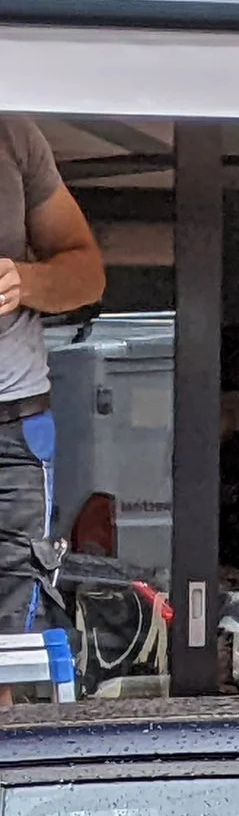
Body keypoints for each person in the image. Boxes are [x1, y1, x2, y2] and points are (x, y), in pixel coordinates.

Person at [0, 119, 103, 640]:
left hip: (13, 426)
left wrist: (25, 281)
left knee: (9, 639)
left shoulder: (12, 136)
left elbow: (87, 274)